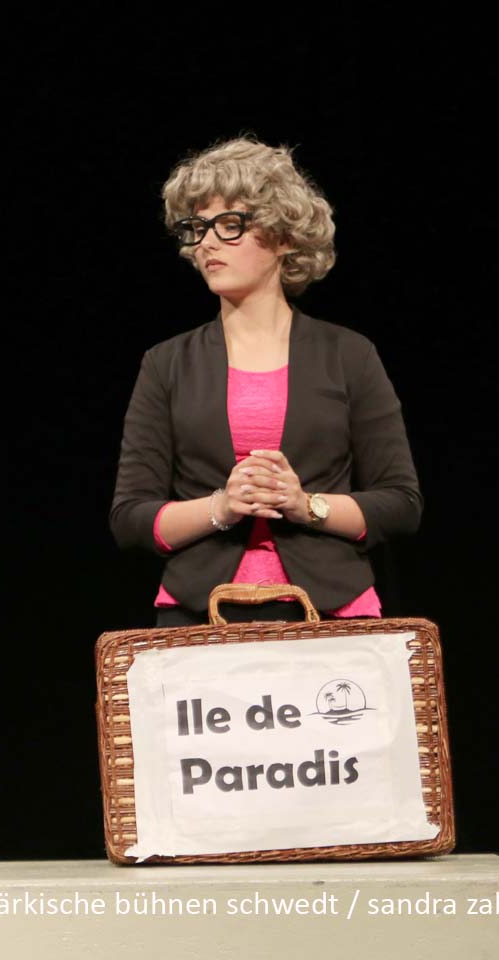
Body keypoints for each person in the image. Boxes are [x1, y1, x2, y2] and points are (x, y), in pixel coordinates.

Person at [109, 137, 421, 627]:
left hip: (330, 614)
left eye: (230, 225)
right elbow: (130, 517)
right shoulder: (166, 363)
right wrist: (222, 506)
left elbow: (400, 504)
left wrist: (305, 506)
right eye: (197, 228)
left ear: (285, 237)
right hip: (200, 617)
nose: (207, 243)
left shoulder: (348, 355)